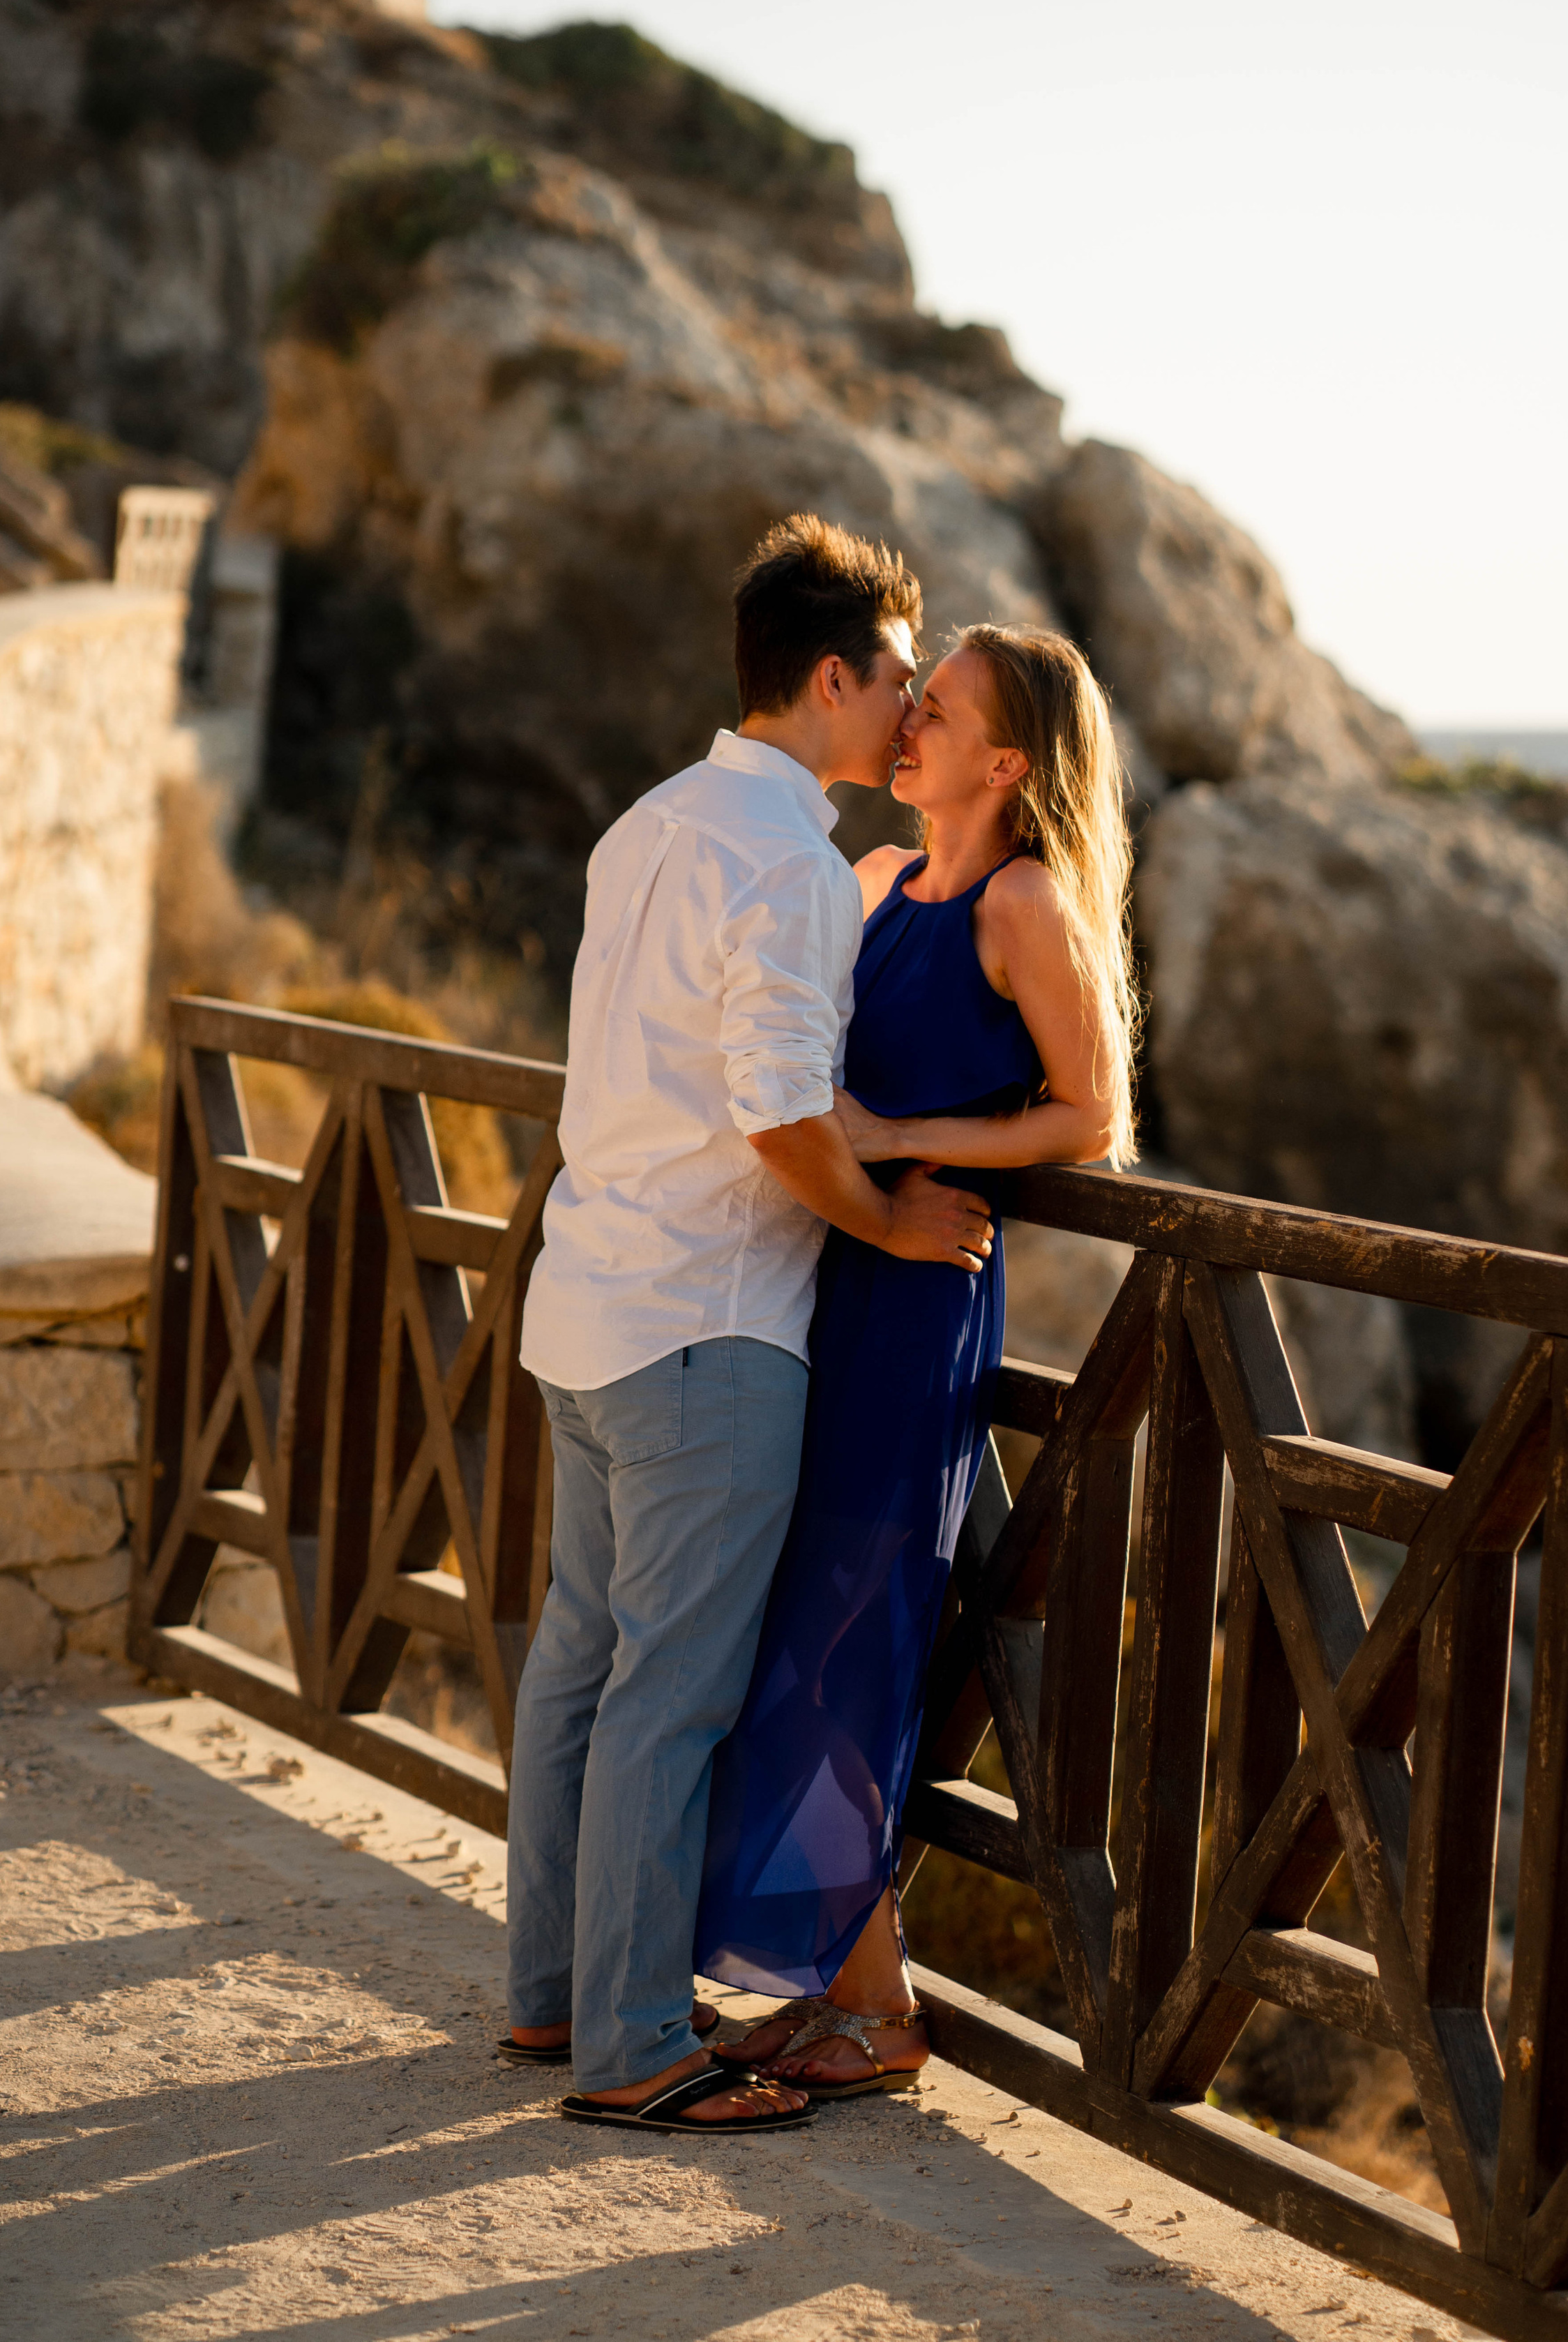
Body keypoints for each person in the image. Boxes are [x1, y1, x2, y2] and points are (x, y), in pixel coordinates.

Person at [504, 515, 997, 2138]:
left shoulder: (649, 823)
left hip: (586, 1299)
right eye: (900, 679)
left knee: (580, 1668)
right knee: (671, 1694)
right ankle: (638, 2047)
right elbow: (782, 1120)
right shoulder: (787, 863)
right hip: (708, 1333)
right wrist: (898, 1222)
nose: (911, 709)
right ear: (831, 676)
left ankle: (554, 1996)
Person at [696, 622, 1138, 2099]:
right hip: (827, 1276)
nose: (906, 728)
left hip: (920, 1297)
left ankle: (875, 2012)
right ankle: (842, 1985)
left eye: (933, 714)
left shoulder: (1021, 904)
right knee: (784, 1625)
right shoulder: (878, 881)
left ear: (1003, 764)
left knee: (849, 1632)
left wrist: (900, 1143)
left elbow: (1088, 1118)